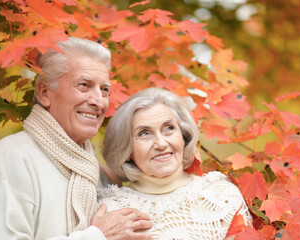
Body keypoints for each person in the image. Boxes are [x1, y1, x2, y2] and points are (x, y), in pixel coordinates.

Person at [0, 37, 153, 240]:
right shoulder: (8, 158)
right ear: (45, 92)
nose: (98, 101)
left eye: (105, 90)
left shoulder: (97, 174)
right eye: (84, 85)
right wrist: (98, 236)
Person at [99, 87, 252, 239]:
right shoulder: (110, 211)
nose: (161, 143)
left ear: (183, 135)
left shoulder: (221, 196)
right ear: (127, 150)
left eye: (168, 128)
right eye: (144, 133)